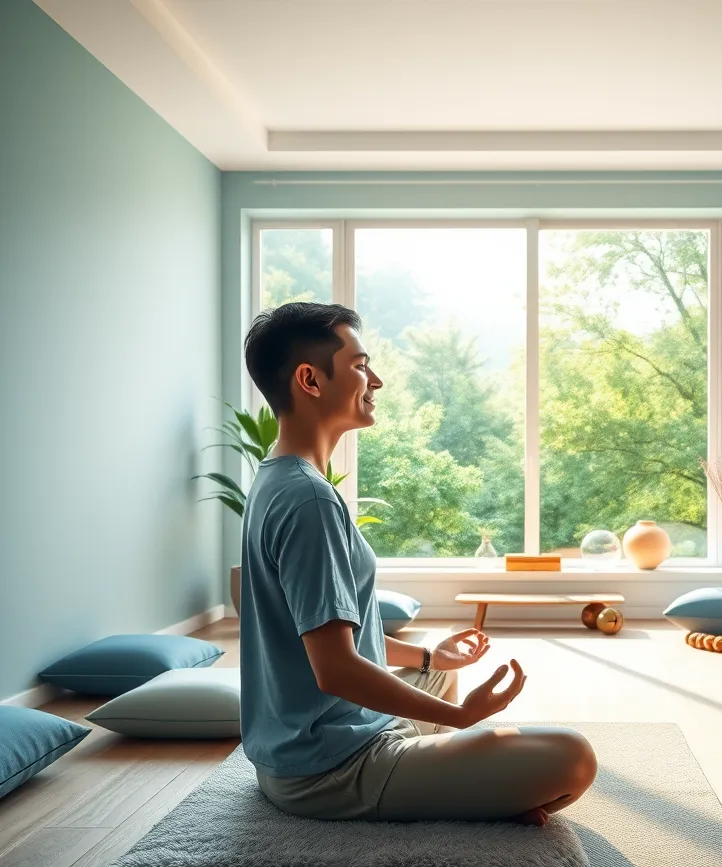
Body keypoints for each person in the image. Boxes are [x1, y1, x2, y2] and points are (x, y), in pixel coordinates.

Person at [239, 301, 598, 826]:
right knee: (573, 756)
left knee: (437, 678)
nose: (376, 380)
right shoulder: (308, 500)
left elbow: (318, 637)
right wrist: (461, 718)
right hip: (330, 770)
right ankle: (468, 787)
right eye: (361, 365)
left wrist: (430, 659)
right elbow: (335, 668)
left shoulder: (280, 478)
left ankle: (464, 782)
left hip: (306, 745)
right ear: (310, 380)